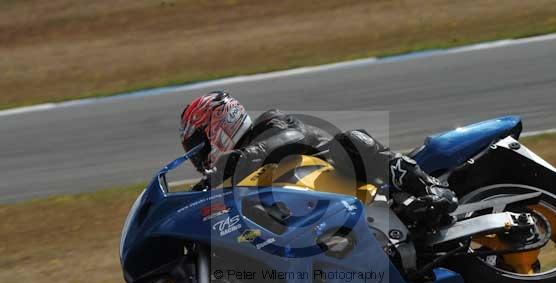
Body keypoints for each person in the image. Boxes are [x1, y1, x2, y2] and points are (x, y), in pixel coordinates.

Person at [180, 91, 457, 229]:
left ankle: (427, 187)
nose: (201, 156)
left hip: (350, 184)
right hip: (319, 220)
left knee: (349, 142)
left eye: (199, 146)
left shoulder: (271, 123)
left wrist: (237, 159)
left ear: (220, 122)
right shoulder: (234, 174)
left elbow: (285, 140)